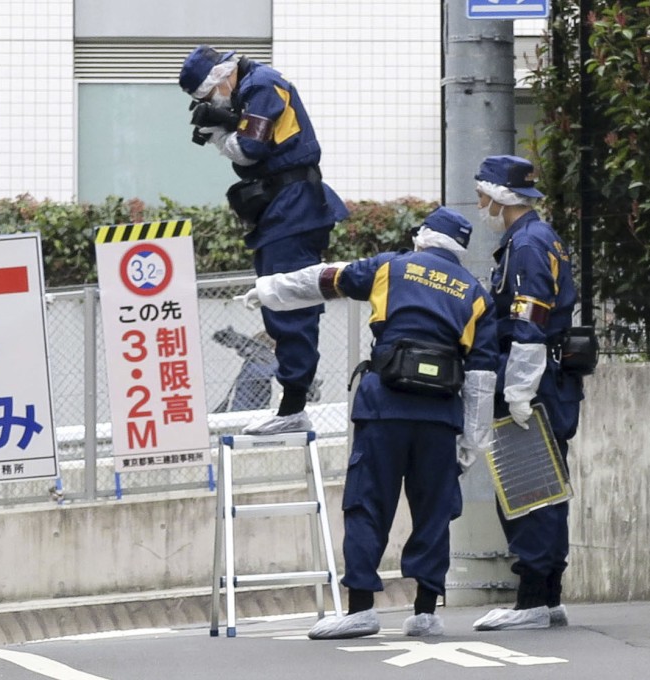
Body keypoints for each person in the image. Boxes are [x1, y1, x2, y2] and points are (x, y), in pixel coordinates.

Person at [240, 207, 499, 639]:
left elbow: (325, 279)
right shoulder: (476, 294)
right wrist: (472, 441)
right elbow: (480, 376)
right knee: (434, 512)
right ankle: (425, 612)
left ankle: (360, 608)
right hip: (439, 417)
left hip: (385, 408)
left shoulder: (391, 268)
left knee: (367, 505)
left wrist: (268, 291)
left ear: (423, 238)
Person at [179, 45, 349, 436]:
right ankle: (291, 404)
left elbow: (249, 149)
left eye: (208, 97)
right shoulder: (251, 88)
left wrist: (222, 129)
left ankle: (293, 406)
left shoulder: (262, 84)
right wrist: (227, 124)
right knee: (279, 301)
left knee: (290, 302)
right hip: (283, 208)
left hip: (294, 208)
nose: (212, 102)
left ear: (220, 78)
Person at [470, 155, 586, 631]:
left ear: (499, 196)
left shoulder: (527, 245)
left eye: (482, 194)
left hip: (534, 380)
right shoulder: (539, 237)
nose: (480, 202)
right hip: (550, 379)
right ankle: (547, 596)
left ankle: (532, 601)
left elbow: (529, 323)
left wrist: (518, 390)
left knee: (527, 487)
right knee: (546, 488)